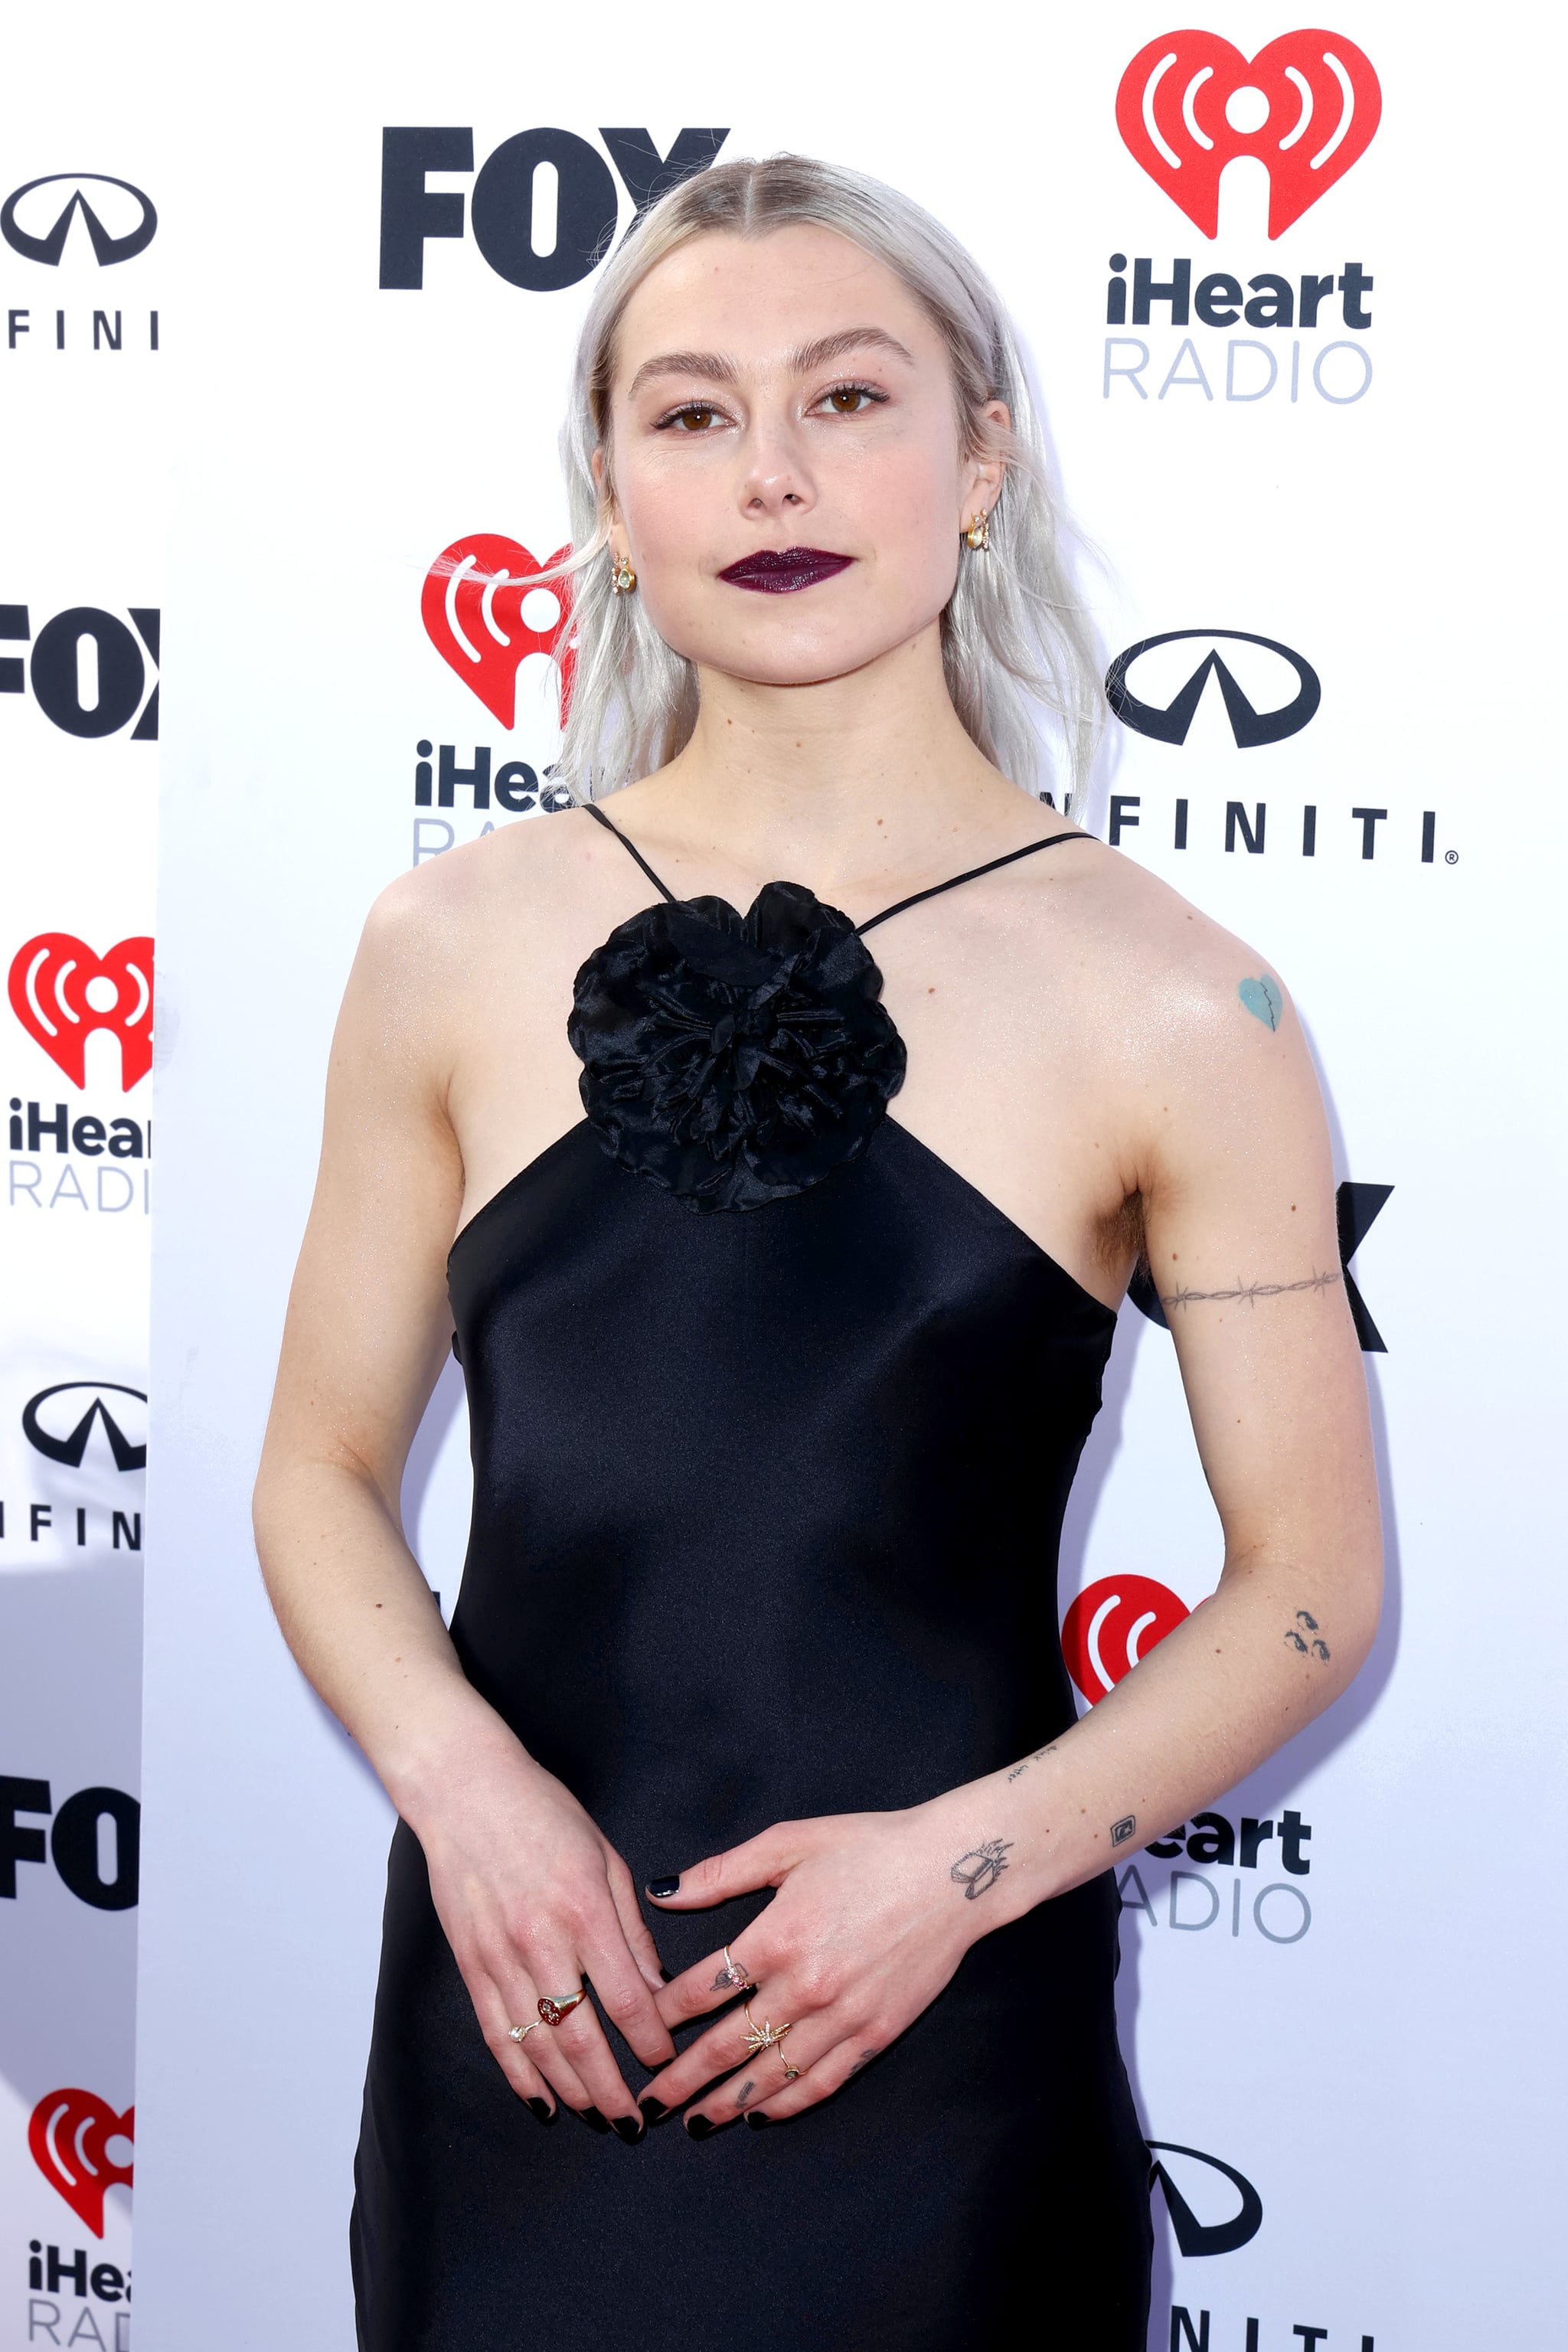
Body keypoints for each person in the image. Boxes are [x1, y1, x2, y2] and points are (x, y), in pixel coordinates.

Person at [253, 153, 1381, 2352]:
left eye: (849, 398)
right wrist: (464, 1790)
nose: (772, 471)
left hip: (939, 2050)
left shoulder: (1188, 1006)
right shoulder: (444, 948)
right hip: (525, 2031)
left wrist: (946, 1881)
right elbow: (315, 1468)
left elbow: (1313, 1592)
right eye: (691, 414)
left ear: (982, 458)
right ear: (610, 493)